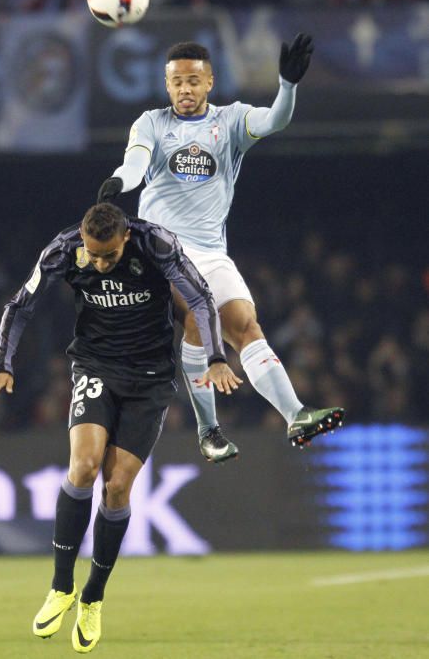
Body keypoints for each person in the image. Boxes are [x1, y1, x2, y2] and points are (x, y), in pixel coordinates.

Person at [0, 203, 240, 653]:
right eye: (93, 256)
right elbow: (19, 306)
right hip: (96, 366)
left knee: (117, 489)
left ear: (123, 239)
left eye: (108, 257)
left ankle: (93, 596)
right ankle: (61, 586)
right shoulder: (65, 250)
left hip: (152, 378)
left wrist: (216, 356)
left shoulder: (156, 244)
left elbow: (199, 297)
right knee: (82, 467)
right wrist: (1, 364)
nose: (98, 264)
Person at [97, 35, 345, 461]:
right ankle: (209, 430)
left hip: (211, 252)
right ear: (167, 83)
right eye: (177, 82)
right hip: (159, 250)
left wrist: (287, 85)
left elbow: (274, 122)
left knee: (245, 324)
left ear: (210, 81)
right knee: (199, 314)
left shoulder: (231, 121)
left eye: (194, 81)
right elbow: (135, 162)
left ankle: (296, 415)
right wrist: (121, 182)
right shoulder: (151, 123)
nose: (185, 90)